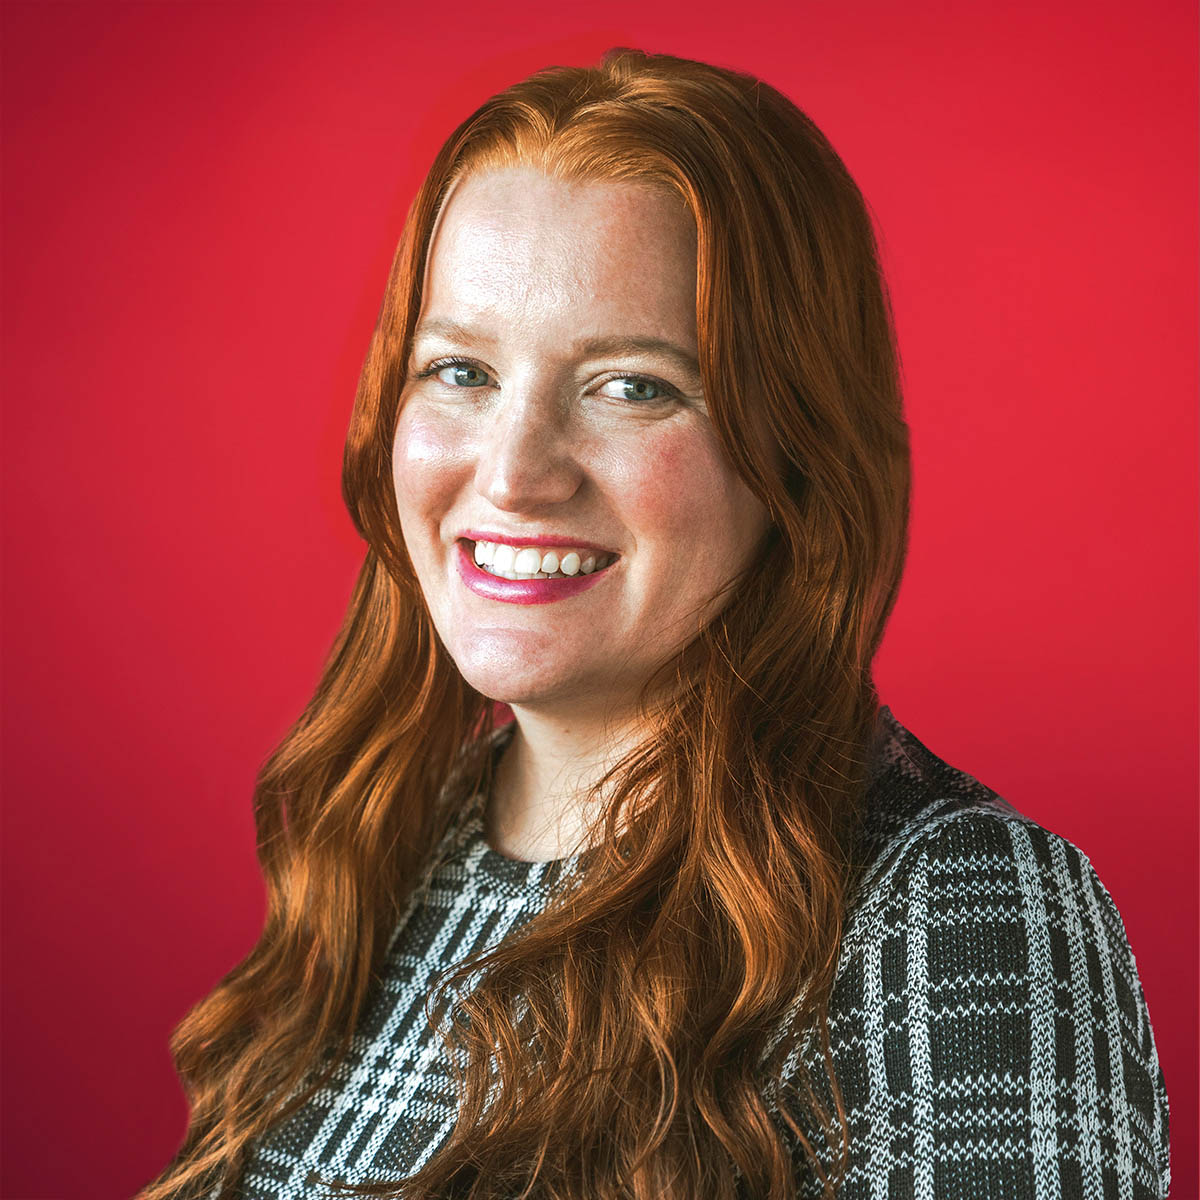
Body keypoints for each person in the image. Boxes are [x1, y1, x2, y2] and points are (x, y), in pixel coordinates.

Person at [141, 47, 1170, 1200]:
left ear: (795, 455)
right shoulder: (388, 845)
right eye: (460, 371)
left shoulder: (956, 912)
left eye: (633, 386)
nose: (516, 473)